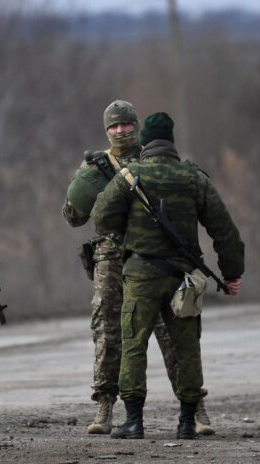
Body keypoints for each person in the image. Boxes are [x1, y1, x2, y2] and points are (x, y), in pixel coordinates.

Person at [62, 100, 214, 435]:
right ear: (106, 130)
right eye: (114, 127)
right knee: (108, 330)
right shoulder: (98, 166)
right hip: (111, 260)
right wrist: (87, 182)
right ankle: (105, 408)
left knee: (175, 329)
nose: (121, 131)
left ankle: (195, 407)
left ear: (137, 125)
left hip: (152, 258)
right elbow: (73, 216)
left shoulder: (155, 158)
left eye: (127, 125)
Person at [92, 112, 244, 439]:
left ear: (144, 142)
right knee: (187, 347)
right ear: (171, 143)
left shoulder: (130, 176)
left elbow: (101, 216)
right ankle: (187, 421)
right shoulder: (194, 178)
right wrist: (232, 274)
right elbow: (225, 231)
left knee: (134, 344)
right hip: (183, 277)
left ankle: (134, 421)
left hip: (140, 275)